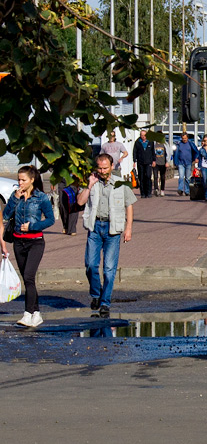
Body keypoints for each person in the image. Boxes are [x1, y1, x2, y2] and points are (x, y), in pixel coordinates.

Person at [76, 153, 136, 317]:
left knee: (109, 269)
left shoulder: (120, 183)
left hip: (113, 229)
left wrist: (128, 228)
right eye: (99, 168)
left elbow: (129, 205)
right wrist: (89, 185)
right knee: (90, 265)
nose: (102, 171)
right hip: (94, 227)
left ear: (111, 167)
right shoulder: (91, 181)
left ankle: (104, 302)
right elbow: (80, 202)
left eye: (105, 168)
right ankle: (96, 294)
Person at [3, 165, 55, 328]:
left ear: (32, 180)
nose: (20, 183)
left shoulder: (41, 197)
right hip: (18, 242)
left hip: (35, 242)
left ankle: (27, 314)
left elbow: (50, 219)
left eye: (23, 180)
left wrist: (32, 226)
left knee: (28, 277)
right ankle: (37, 313)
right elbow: (5, 216)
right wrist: (14, 199)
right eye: (19, 179)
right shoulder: (15, 195)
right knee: (28, 280)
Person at [172, 132, 198, 196]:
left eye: (185, 138)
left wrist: (196, 158)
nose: (184, 139)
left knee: (187, 178)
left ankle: (187, 191)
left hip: (188, 163)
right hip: (181, 163)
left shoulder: (191, 144)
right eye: (183, 138)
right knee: (181, 177)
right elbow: (175, 154)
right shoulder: (179, 144)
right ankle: (180, 190)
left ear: (187, 138)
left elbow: (196, 151)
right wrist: (175, 162)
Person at [133, 129, 155, 197]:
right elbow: (134, 152)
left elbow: (153, 152)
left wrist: (154, 160)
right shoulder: (137, 142)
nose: (143, 137)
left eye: (144, 135)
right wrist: (134, 161)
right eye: (142, 135)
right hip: (140, 162)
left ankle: (149, 192)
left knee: (148, 176)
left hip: (148, 161)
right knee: (141, 177)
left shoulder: (150, 142)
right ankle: (143, 193)